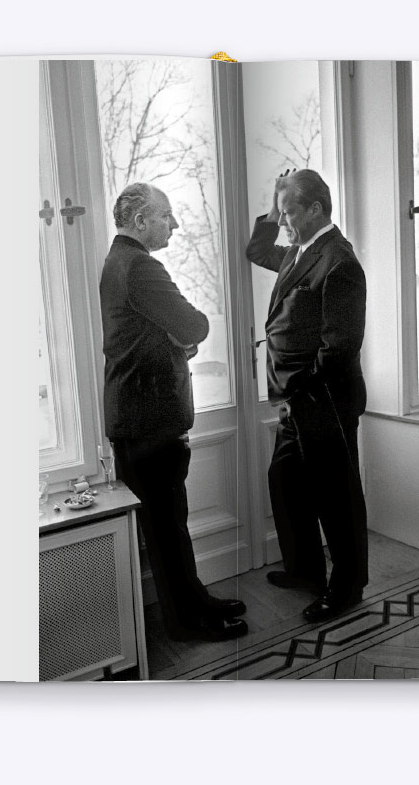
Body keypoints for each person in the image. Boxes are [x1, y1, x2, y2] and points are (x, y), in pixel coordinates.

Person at [99, 182, 248, 642]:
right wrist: (182, 337)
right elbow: (194, 325)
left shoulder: (117, 262)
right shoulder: (140, 266)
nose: (175, 224)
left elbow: (162, 336)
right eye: (166, 216)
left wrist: (176, 339)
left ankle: (195, 601)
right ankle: (186, 623)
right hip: (150, 424)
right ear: (141, 220)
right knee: (166, 531)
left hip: (137, 420)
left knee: (170, 527)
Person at [246, 169, 370, 622]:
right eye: (280, 214)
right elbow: (257, 250)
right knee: (285, 481)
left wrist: (301, 391)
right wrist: (273, 202)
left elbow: (339, 347)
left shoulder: (339, 260)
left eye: (289, 213)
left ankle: (347, 588)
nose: (283, 223)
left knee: (336, 498)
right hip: (296, 401)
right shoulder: (298, 252)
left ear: (316, 209)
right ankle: (305, 571)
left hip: (323, 401)